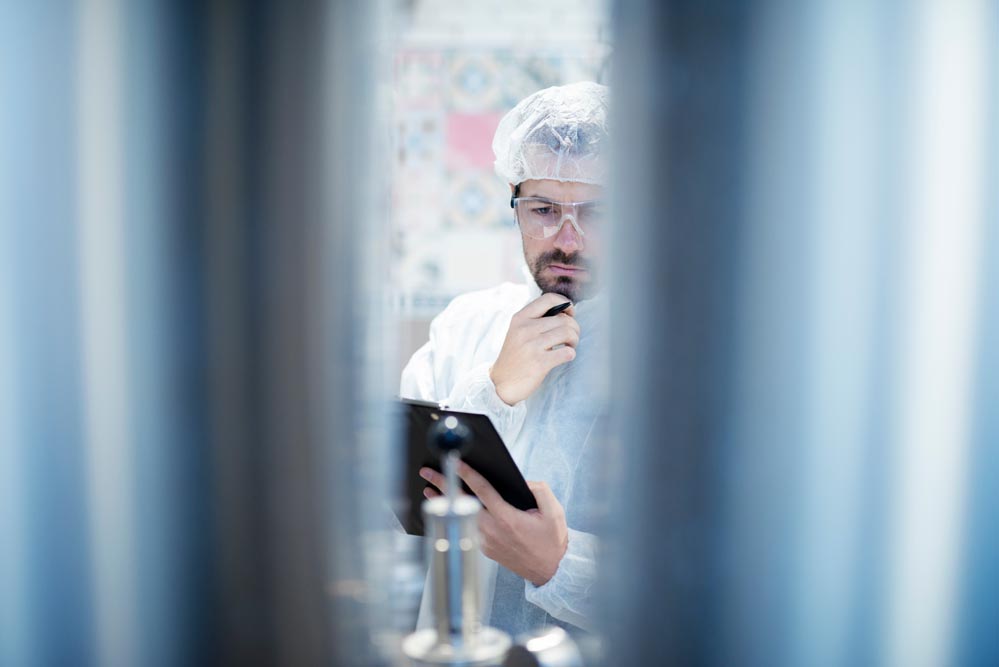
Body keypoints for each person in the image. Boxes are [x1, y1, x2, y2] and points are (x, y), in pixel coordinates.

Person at [400, 81, 609, 636]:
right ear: (514, 207)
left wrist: (559, 566)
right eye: (543, 208)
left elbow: (706, 584)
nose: (568, 238)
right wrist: (492, 389)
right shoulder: (465, 326)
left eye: (596, 212)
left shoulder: (672, 359)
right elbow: (405, 500)